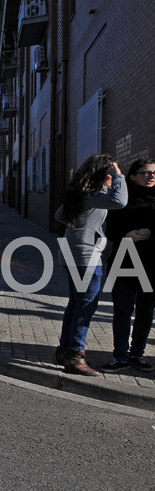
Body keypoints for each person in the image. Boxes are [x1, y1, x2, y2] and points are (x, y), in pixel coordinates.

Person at [54, 154, 127, 375]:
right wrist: (120, 176)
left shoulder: (80, 195)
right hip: (86, 257)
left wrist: (75, 225)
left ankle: (64, 350)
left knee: (76, 304)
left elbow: (59, 215)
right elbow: (120, 201)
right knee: (85, 306)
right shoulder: (94, 196)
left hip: (71, 253)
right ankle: (76, 356)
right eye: (109, 174)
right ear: (104, 175)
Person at [102, 158, 155, 373]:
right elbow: (110, 230)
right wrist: (127, 235)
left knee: (146, 311)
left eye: (153, 173)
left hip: (151, 264)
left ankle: (137, 354)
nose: (151, 176)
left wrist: (151, 233)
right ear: (133, 176)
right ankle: (120, 356)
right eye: (146, 173)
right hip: (123, 261)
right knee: (122, 311)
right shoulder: (123, 200)